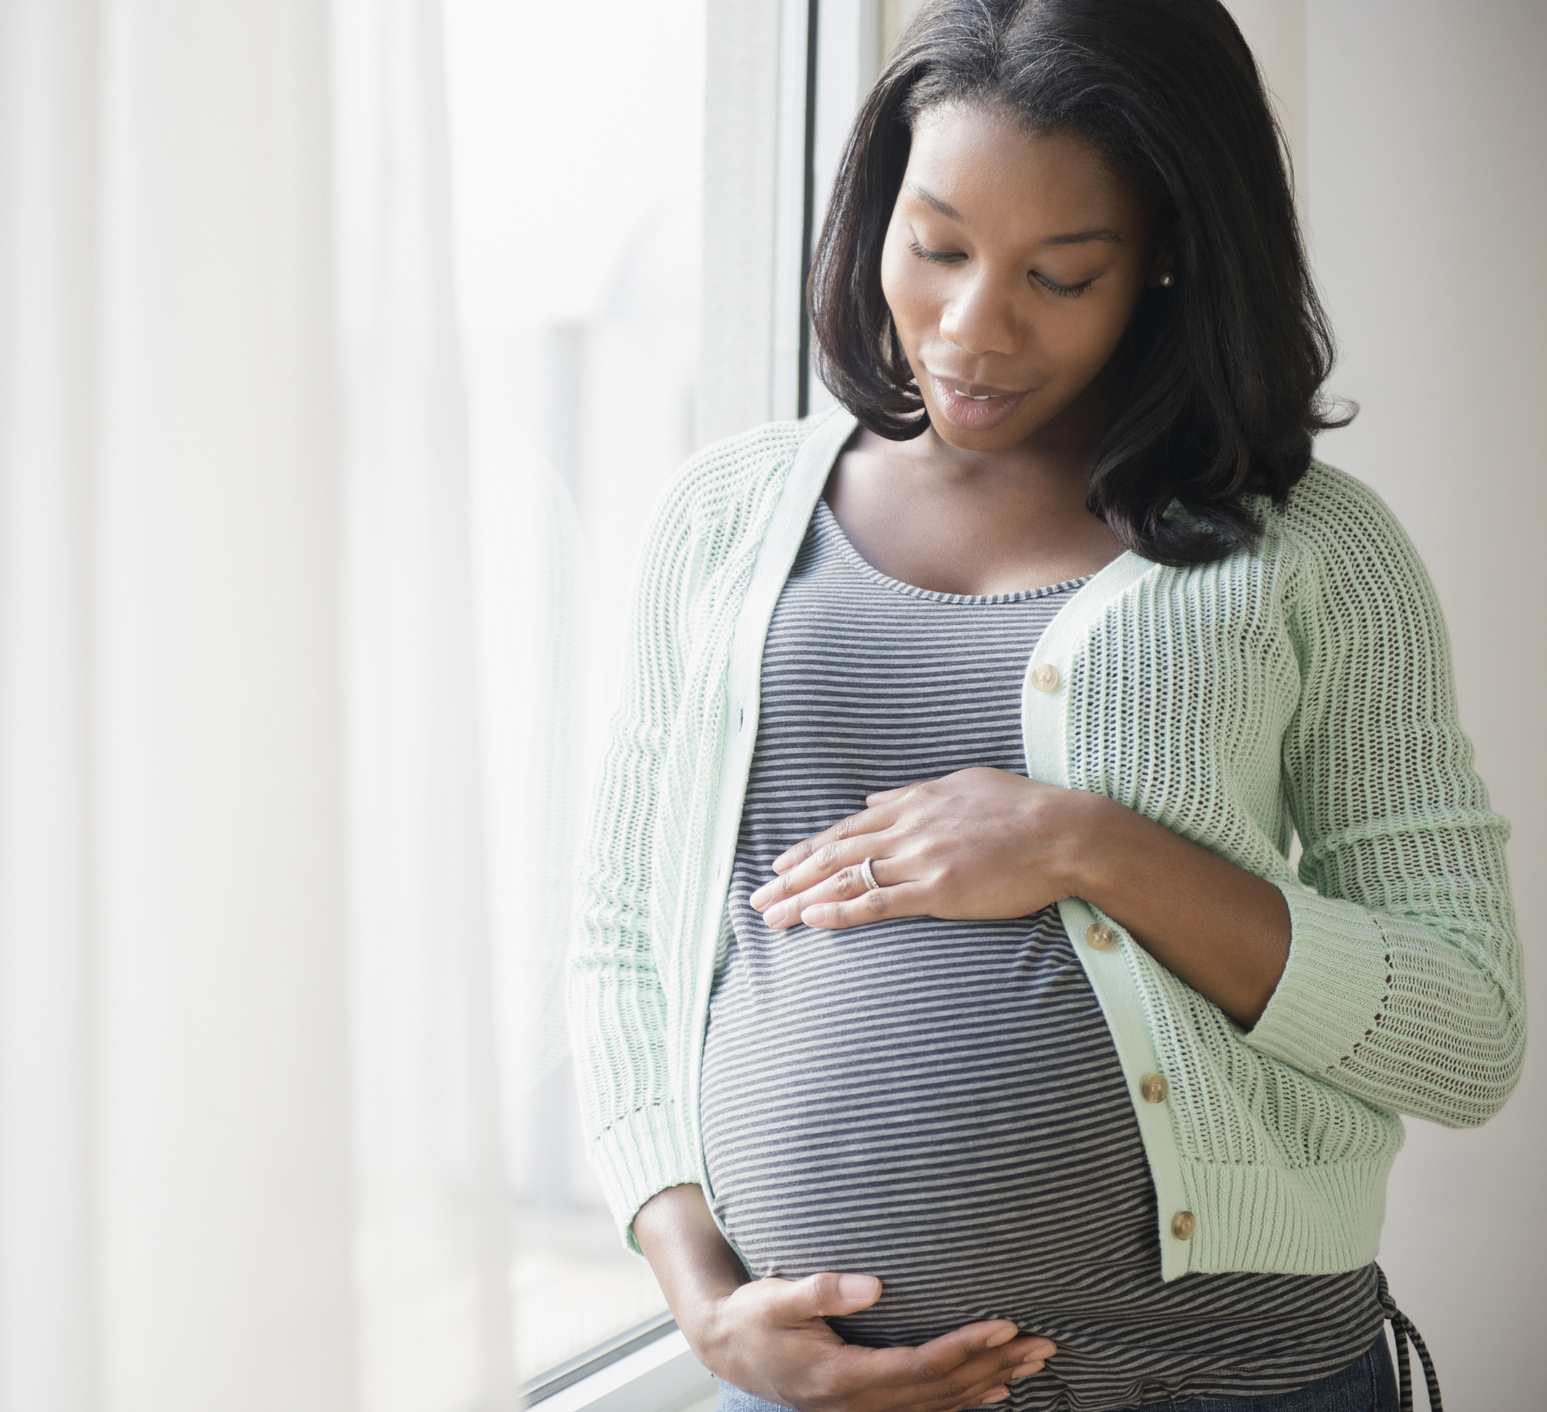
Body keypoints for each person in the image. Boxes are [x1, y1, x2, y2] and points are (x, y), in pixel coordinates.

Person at [565, 1, 1524, 1409]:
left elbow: (1466, 1027)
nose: (969, 328)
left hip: (1230, 1381)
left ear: (1168, 264)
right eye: (936, 245)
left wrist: (1093, 845)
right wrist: (705, 1306)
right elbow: (622, 959)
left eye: (1060, 276)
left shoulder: (1312, 551)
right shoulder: (723, 519)